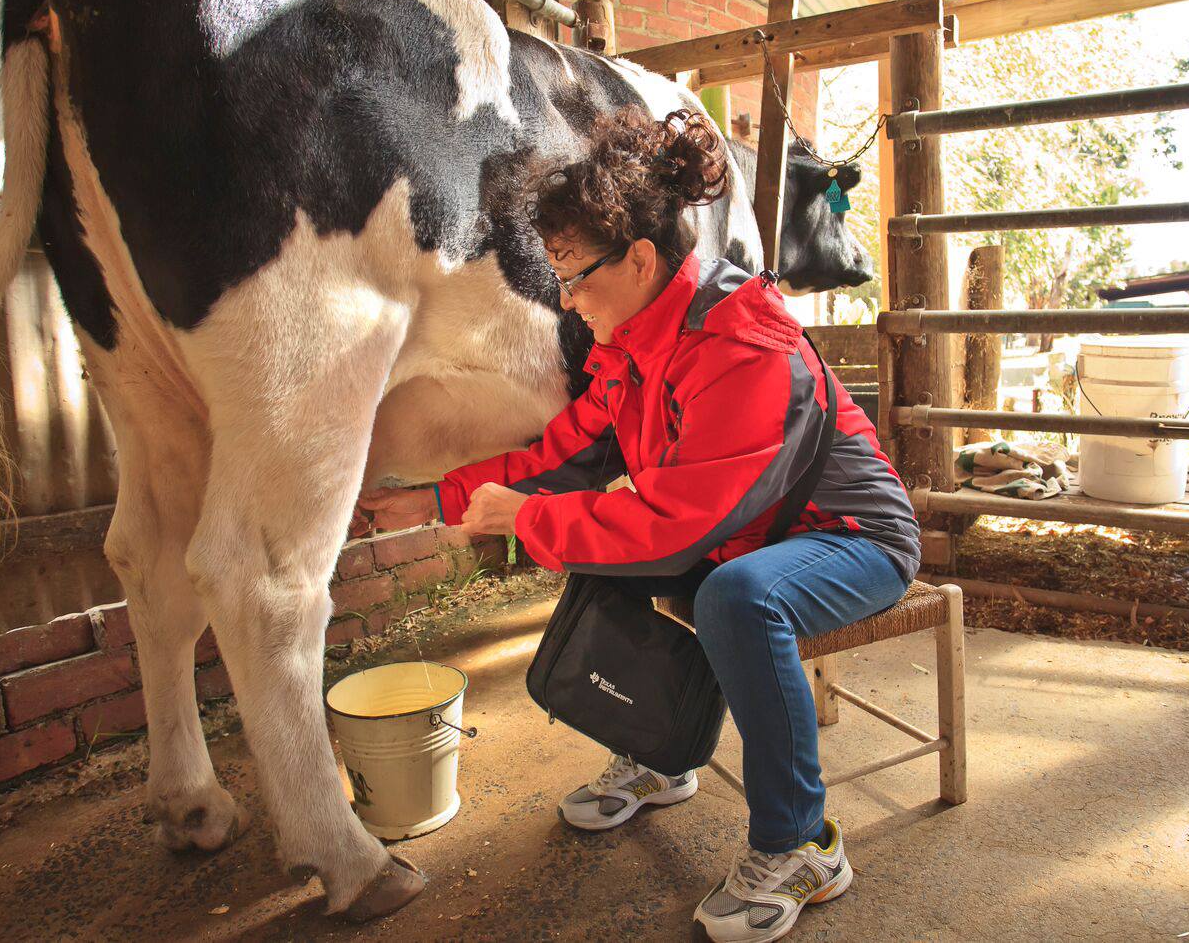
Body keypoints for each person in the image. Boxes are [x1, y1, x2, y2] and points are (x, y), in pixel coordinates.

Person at [361, 107, 921, 942]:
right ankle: (662, 750)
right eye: (558, 276)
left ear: (643, 259)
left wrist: (533, 518)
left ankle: (800, 843)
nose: (568, 300)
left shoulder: (744, 344)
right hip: (746, 530)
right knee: (608, 553)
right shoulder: (633, 344)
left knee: (736, 598)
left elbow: (674, 521)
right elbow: (569, 453)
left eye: (576, 275)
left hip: (851, 539)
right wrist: (442, 498)